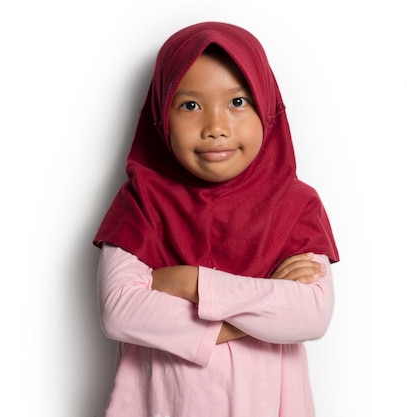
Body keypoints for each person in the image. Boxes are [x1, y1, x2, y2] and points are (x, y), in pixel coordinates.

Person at [93, 21, 339, 417]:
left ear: (266, 108)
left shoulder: (296, 205)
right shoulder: (140, 203)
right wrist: (259, 306)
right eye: (190, 105)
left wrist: (192, 281)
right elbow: (120, 310)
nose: (216, 128)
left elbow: (309, 314)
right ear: (161, 116)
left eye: (238, 103)